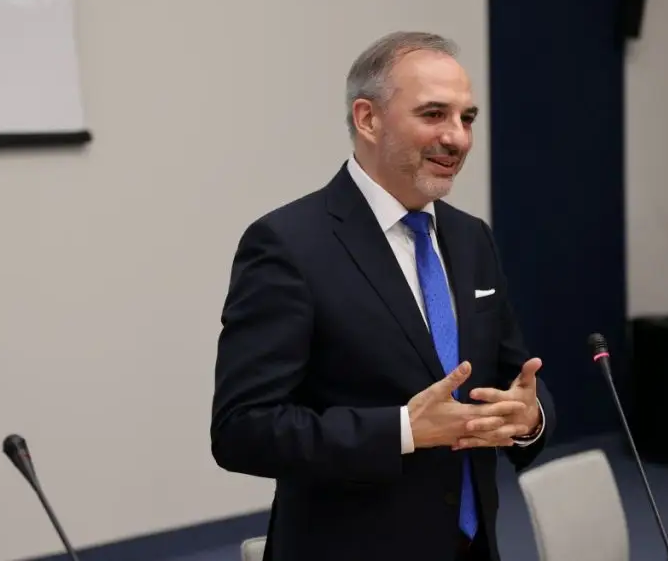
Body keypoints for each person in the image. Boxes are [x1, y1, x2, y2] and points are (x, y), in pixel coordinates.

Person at [210, 31, 555, 561]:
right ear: (368, 119)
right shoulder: (288, 244)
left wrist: (528, 419)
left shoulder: (471, 238)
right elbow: (242, 429)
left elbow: (514, 378)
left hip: (471, 545)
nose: (458, 138)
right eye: (434, 114)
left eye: (467, 118)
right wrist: (401, 430)